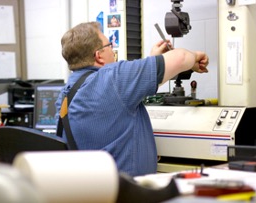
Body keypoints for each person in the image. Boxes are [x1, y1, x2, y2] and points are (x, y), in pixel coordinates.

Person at [56, 22, 209, 176]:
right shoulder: (114, 78)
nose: (113, 50)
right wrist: (195, 57)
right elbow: (181, 58)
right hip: (127, 192)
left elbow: (117, 97)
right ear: (99, 56)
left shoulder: (66, 92)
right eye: (110, 45)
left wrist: (153, 60)